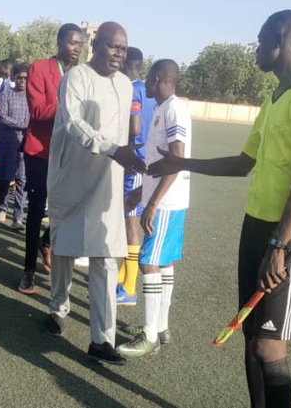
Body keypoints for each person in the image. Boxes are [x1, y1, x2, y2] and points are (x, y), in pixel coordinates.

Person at [147, 10, 291, 408]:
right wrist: (182, 163)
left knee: (270, 348)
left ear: (280, 40)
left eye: (260, 37)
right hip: (256, 228)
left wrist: (279, 245)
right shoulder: (274, 98)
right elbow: (243, 163)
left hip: (288, 236)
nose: (255, 47)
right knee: (250, 341)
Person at [43, 22, 144, 366]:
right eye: (113, 46)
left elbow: (123, 132)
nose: (119, 53)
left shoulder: (126, 85)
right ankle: (58, 308)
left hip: (108, 183)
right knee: (64, 250)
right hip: (70, 177)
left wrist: (126, 159)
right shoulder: (76, 79)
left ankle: (102, 339)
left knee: (106, 258)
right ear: (96, 46)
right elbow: (72, 124)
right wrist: (112, 148)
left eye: (123, 48)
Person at [117, 59, 192, 358]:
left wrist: (153, 202)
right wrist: (139, 191)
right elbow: (159, 163)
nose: (146, 83)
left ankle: (149, 336)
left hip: (167, 202)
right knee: (164, 263)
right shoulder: (164, 109)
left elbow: (176, 160)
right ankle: (161, 327)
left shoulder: (173, 109)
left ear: (159, 79)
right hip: (167, 198)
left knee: (148, 263)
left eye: (149, 78)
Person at [18, 23, 85, 293]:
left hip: (69, 154)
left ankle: (46, 242)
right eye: (72, 43)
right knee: (35, 211)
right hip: (41, 151)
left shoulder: (83, 74)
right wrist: (69, 104)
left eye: (81, 44)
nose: (77, 48)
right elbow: (37, 112)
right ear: (59, 43)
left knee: (69, 209)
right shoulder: (40, 68)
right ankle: (28, 271)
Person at [116, 47, 157, 306]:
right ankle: (122, 278)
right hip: (146, 162)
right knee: (125, 219)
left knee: (131, 222)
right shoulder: (150, 91)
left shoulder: (132, 89)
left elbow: (135, 127)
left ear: (124, 63)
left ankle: (129, 288)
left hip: (136, 164)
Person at [0, 65, 29, 233]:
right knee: (5, 177)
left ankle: (18, 217)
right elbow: (1, 117)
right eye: (19, 77)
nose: (22, 80)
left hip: (26, 144)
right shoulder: (6, 94)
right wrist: (23, 125)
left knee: (22, 180)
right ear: (14, 78)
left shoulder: (33, 96)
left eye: (25, 77)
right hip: (8, 141)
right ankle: (2, 208)